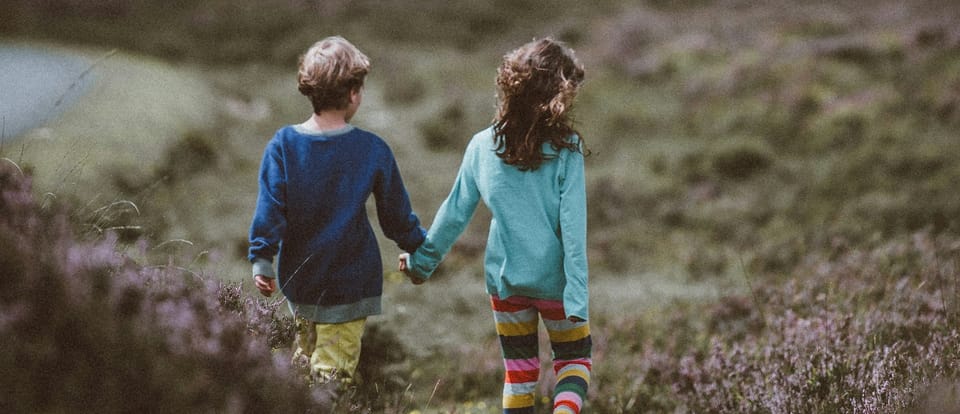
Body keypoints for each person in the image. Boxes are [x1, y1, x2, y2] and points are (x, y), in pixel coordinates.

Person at [400, 38, 591, 414]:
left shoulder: (480, 146)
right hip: (557, 285)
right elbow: (573, 226)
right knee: (574, 364)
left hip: (506, 283)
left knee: (519, 374)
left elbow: (454, 213)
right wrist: (577, 296)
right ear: (558, 96)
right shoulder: (567, 148)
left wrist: (422, 264)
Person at [248, 36, 426, 387]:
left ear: (309, 89)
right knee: (332, 379)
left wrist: (262, 258)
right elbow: (396, 216)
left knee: (301, 372)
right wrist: (420, 248)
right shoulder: (373, 149)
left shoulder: (282, 145)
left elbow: (270, 207)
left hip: (300, 282)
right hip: (351, 283)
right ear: (354, 93)